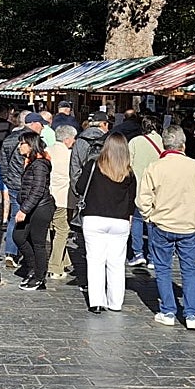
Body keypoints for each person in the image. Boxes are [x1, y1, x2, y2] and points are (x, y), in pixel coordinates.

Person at [136, 124, 195, 330]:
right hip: (189, 227)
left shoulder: (154, 167)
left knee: (163, 269)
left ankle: (168, 311)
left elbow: (143, 199)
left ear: (165, 144)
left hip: (162, 224)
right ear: (183, 144)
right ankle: (191, 315)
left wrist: (149, 216)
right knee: (189, 270)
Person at [77, 133, 137, 313]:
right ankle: (115, 302)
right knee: (117, 263)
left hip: (94, 217)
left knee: (95, 261)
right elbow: (132, 198)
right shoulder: (129, 172)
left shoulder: (94, 166)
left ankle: (96, 301)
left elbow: (80, 187)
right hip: (120, 220)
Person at [11, 131, 54, 291]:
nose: (19, 146)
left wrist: (24, 210)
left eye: (22, 143)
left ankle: (39, 277)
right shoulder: (31, 162)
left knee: (38, 243)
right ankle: (33, 268)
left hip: (40, 208)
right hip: (30, 208)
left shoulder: (40, 164)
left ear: (30, 145)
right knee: (19, 236)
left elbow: (38, 189)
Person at [126, 116, 164, 267]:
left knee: (137, 220)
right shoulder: (164, 142)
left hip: (139, 187)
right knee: (153, 223)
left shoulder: (135, 142)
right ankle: (153, 257)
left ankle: (138, 253)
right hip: (159, 188)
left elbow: (128, 164)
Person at [0, 111, 31, 265]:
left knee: (14, 216)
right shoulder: (32, 140)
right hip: (26, 185)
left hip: (12, 183)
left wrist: (7, 180)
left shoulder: (8, 139)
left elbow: (3, 164)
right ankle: (24, 251)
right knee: (26, 217)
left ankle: (10, 253)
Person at [45, 124, 76, 279]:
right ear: (67, 139)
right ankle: (55, 266)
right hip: (63, 198)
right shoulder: (69, 155)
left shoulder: (47, 151)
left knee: (54, 229)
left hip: (47, 198)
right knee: (62, 230)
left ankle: (64, 261)